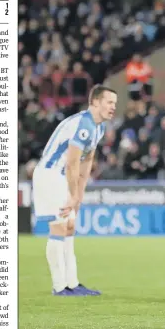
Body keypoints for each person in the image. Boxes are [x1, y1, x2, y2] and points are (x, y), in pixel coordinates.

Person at [32, 85, 117, 296]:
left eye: (115, 103)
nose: (113, 107)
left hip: (62, 176)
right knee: (59, 227)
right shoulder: (84, 124)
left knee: (70, 227)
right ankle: (59, 286)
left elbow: (87, 161)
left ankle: (72, 283)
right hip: (51, 175)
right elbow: (71, 163)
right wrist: (72, 194)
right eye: (109, 102)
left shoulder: (99, 127)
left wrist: (79, 194)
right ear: (95, 102)